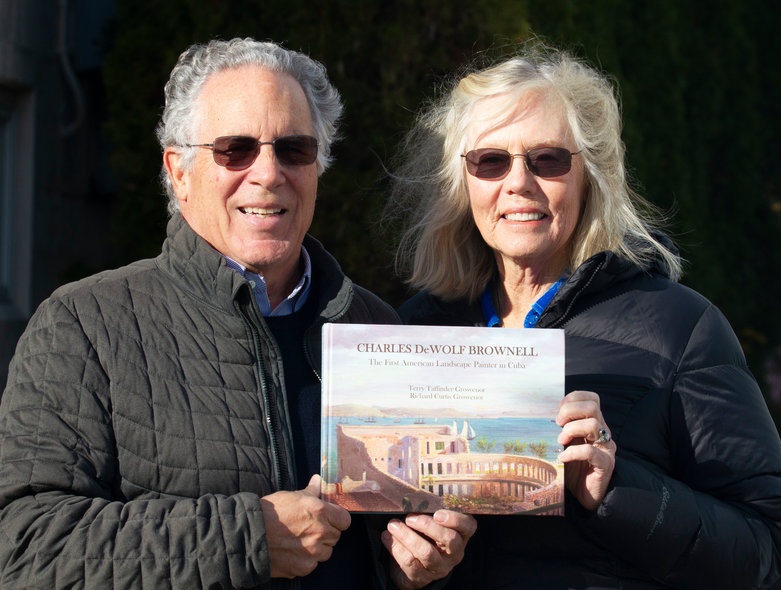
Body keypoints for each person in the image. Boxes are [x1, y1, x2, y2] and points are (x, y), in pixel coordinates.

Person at [0, 38, 474, 589]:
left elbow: (398, 542)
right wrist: (248, 537)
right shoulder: (83, 325)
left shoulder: (377, 329)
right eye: (235, 149)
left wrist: (414, 569)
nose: (268, 173)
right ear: (179, 172)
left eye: (294, 149)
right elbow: (25, 547)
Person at [388, 45, 781, 589]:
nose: (518, 183)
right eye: (490, 161)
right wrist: (403, 570)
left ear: (592, 175)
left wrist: (617, 488)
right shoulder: (410, 333)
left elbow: (767, 541)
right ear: (460, 184)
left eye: (548, 159)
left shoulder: (680, 328)